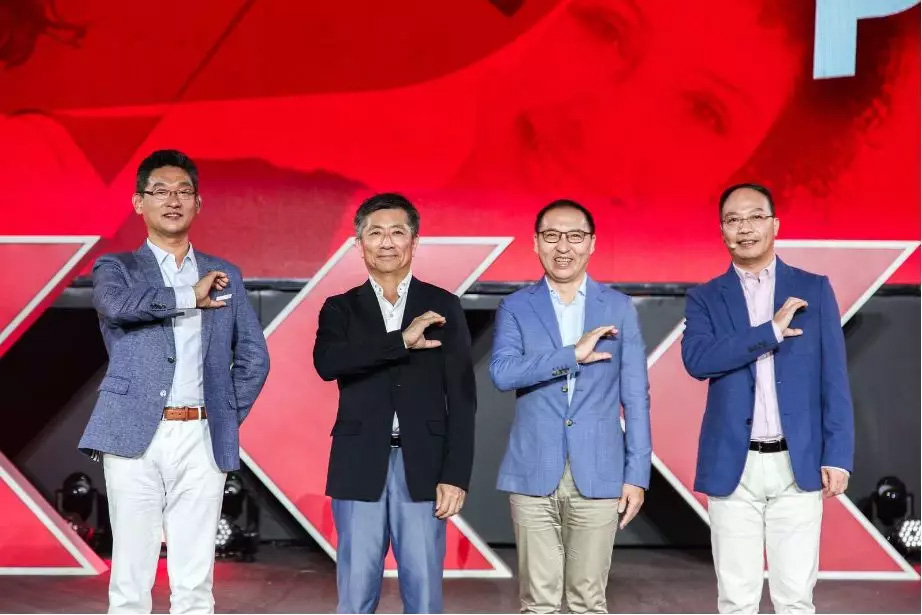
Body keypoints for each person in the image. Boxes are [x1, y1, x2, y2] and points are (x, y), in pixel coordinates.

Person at [78, 149, 270, 613]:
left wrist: (223, 415)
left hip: (201, 435)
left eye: (184, 191)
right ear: (138, 202)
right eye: (160, 191)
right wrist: (188, 296)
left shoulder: (225, 274)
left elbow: (253, 358)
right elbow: (117, 307)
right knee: (131, 578)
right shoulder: (116, 268)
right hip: (133, 432)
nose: (173, 200)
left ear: (198, 204)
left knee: (194, 582)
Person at [681, 183, 854, 613]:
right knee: (736, 598)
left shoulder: (813, 289)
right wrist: (770, 332)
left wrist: (838, 455)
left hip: (797, 461)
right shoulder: (705, 298)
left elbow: (834, 377)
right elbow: (698, 361)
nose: (745, 228)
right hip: (732, 464)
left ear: (775, 224)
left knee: (795, 597)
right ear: (722, 230)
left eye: (755, 217)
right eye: (733, 220)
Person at [313, 192, 476, 614]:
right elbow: (328, 363)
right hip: (358, 463)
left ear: (414, 241)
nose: (386, 242)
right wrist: (400, 341)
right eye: (375, 233)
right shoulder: (341, 308)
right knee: (356, 593)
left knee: (424, 594)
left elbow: (462, 397)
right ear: (359, 244)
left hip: (423, 465)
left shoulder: (442, 305)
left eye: (397, 232)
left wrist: (456, 474)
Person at [489, 199, 651, 613]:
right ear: (536, 243)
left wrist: (637, 475)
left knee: (588, 601)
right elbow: (502, 373)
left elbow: (635, 397)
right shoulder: (516, 307)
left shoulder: (617, 307)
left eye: (575, 236)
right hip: (532, 469)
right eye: (552, 236)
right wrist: (571, 356)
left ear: (591, 243)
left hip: (599, 470)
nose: (563, 247)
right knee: (537, 603)